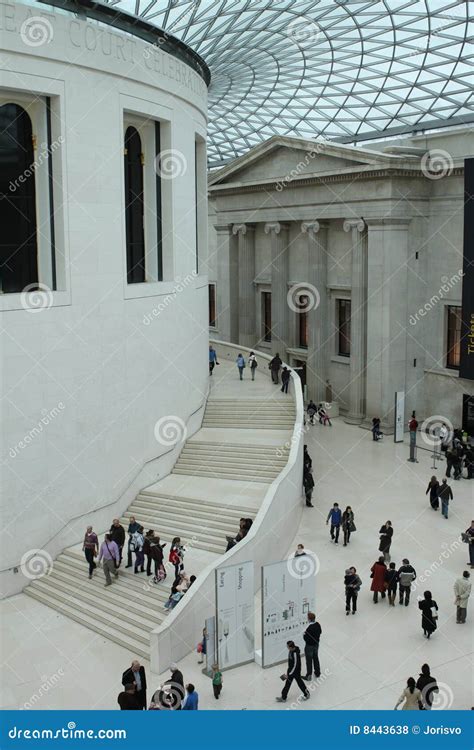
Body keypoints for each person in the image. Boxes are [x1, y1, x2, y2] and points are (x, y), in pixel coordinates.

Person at [302, 612, 322, 680]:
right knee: (316, 658)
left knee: (309, 661)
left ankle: (309, 675)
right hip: (316, 644)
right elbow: (320, 632)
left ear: (309, 619)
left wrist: (304, 635)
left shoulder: (309, 628)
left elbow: (306, 639)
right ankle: (317, 672)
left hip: (309, 646)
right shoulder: (318, 624)